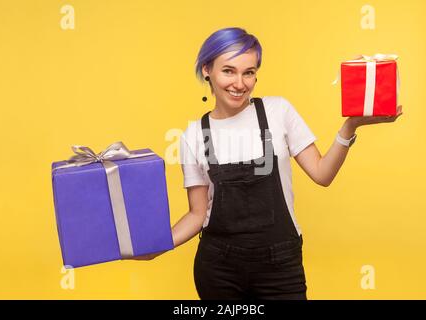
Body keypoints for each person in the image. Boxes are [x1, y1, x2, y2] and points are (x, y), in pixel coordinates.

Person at [130, 27, 403, 300]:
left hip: (280, 263)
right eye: (229, 71)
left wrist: (350, 126)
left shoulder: (277, 111)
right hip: (219, 268)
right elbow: (197, 214)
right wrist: (158, 246)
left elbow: (322, 174)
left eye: (248, 72)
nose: (240, 83)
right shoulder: (194, 135)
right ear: (206, 70)